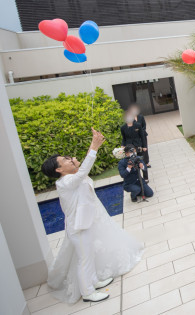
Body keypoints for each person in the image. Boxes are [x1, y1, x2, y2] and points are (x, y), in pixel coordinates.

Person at [42, 128, 143, 304]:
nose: (71, 158)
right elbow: (83, 171)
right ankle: (88, 292)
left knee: (88, 257)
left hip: (85, 224)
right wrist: (94, 146)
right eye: (66, 159)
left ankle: (94, 281)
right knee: (85, 260)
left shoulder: (72, 177)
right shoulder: (66, 182)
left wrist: (94, 142)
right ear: (59, 169)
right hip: (78, 228)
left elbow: (82, 169)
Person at [120, 113, 148, 180]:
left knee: (142, 161)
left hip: (138, 146)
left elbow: (142, 136)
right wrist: (122, 145)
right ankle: (136, 178)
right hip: (129, 147)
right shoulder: (123, 128)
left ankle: (145, 177)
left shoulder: (138, 125)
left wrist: (144, 146)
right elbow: (124, 138)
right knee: (132, 162)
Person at [127, 103, 150, 168]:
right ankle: (139, 163)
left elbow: (144, 125)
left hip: (143, 135)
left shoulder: (141, 116)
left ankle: (147, 162)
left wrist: (141, 132)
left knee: (145, 148)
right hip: (135, 137)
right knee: (138, 150)